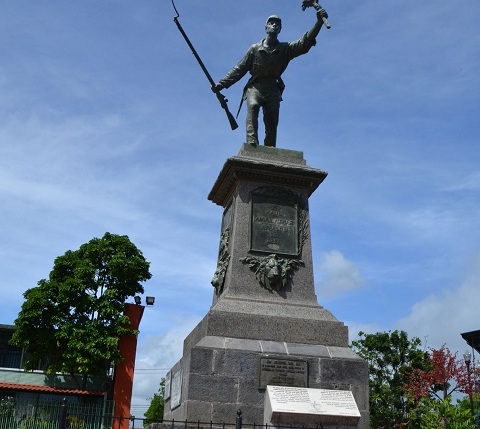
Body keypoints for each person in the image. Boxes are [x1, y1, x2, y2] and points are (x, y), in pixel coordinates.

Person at [212, 6, 328, 147]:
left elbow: (304, 43)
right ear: (266, 27)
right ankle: (252, 143)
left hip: (273, 88)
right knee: (253, 106)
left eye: (277, 24)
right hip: (255, 86)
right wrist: (222, 84)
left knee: (272, 121)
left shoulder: (285, 49)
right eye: (271, 23)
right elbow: (239, 69)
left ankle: (270, 149)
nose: (274, 25)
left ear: (280, 29)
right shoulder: (254, 49)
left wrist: (318, 23)